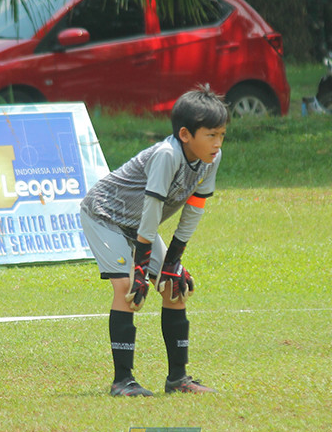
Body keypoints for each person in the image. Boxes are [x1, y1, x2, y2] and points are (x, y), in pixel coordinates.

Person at [80, 86, 228, 397]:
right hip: (104, 215)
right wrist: (141, 268)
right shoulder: (167, 155)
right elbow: (151, 210)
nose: (217, 143)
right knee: (127, 288)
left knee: (174, 286)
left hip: (139, 225)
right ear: (185, 134)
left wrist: (173, 260)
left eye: (221, 135)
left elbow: (195, 207)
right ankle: (123, 381)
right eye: (211, 135)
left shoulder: (211, 159)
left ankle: (178, 379)